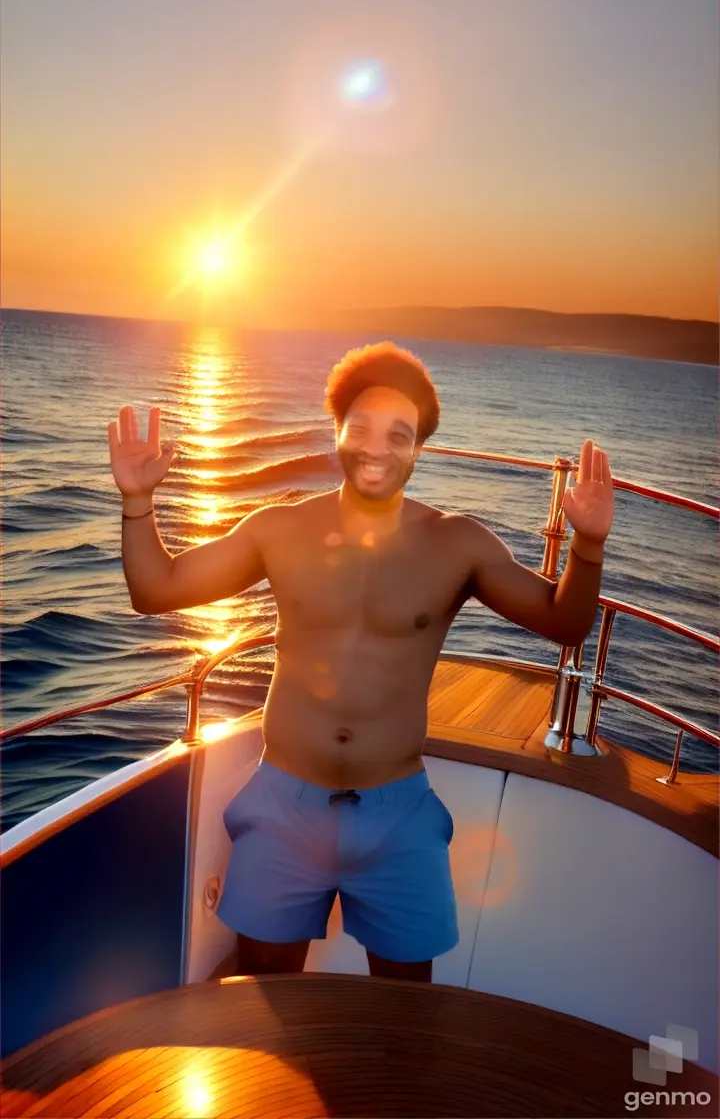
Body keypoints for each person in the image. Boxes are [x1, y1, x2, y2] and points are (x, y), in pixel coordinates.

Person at [109, 342, 613, 983]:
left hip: (396, 810)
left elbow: (564, 622)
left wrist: (588, 546)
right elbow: (157, 590)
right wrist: (136, 502)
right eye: (363, 428)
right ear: (338, 432)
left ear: (418, 449)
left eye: (399, 434)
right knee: (264, 979)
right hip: (283, 801)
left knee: (405, 997)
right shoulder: (280, 529)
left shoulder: (456, 543)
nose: (378, 447)